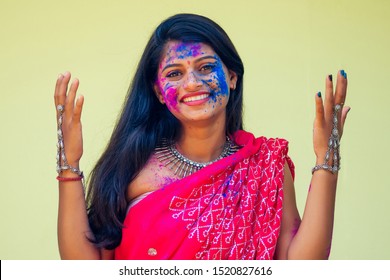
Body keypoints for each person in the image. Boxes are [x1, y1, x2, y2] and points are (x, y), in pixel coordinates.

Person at [54, 13, 349, 260]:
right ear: (158, 91)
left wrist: (327, 160)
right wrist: (69, 163)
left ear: (232, 77)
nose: (192, 83)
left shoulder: (265, 167)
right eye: (174, 74)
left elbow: (301, 267)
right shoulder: (134, 166)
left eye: (206, 67)